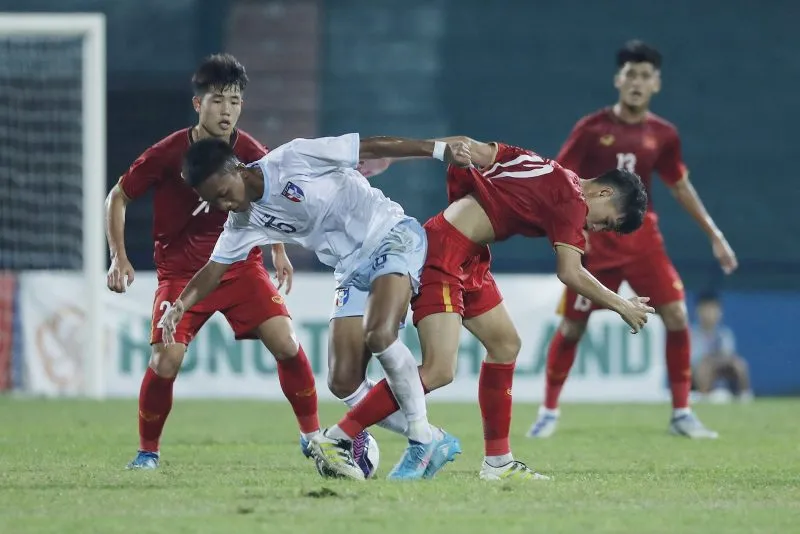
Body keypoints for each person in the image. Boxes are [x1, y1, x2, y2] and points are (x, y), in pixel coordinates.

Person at [312, 137, 653, 481]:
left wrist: (406, 156)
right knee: (439, 370)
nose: (597, 229)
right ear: (604, 193)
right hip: (445, 255)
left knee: (505, 345)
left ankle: (498, 463)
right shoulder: (572, 201)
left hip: (468, 255)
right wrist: (622, 305)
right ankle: (338, 437)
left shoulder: (542, 164)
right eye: (607, 222)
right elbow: (570, 272)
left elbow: (465, 146)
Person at [159, 133, 471, 481]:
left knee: (380, 333)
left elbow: (370, 146)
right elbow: (214, 269)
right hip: (349, 269)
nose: (224, 206)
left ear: (238, 169)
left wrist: (438, 150)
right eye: (213, 202)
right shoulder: (243, 221)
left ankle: (420, 441)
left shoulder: (293, 158)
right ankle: (432, 437)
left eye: (223, 194)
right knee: (343, 382)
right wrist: (180, 305)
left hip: (389, 235)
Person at [105, 54, 320, 469]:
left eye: (235, 102)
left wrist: (277, 251)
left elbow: (269, 196)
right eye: (218, 100)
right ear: (197, 104)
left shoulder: (251, 151)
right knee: (166, 359)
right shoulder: (168, 152)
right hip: (181, 274)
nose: (227, 111)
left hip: (239, 267)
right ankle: (147, 452)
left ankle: (313, 437)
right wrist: (118, 256)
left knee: (287, 343)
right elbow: (119, 196)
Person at [528, 40, 738, 440]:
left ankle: (682, 413)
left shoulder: (663, 134)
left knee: (677, 316)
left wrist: (715, 235)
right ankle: (548, 411)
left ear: (656, 84)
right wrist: (575, 231)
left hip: (644, 245)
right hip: (597, 245)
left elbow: (681, 187)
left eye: (645, 76)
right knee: (572, 329)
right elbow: (561, 179)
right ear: (618, 80)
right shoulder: (592, 129)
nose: (637, 82)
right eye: (631, 75)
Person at [691, 292, 752, 402]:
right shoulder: (692, 334)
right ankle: (703, 397)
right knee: (704, 366)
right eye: (706, 309)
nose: (710, 314)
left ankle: (745, 396)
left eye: (713, 309)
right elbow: (694, 360)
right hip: (697, 372)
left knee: (739, 364)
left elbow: (728, 355)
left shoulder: (724, 334)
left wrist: (716, 361)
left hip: (719, 368)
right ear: (698, 311)